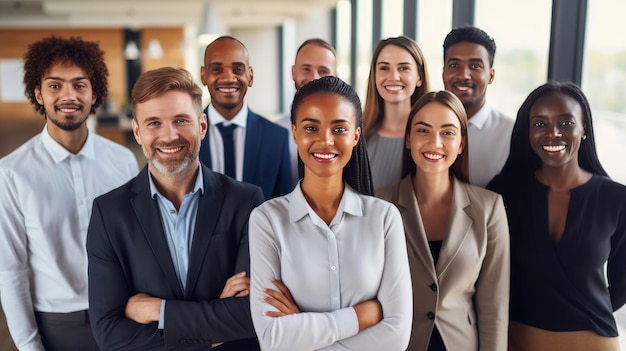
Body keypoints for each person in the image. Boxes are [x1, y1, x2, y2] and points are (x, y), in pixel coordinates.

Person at [87, 67, 264, 350]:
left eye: (181, 120)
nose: (169, 136)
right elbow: (109, 332)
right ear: (138, 132)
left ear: (202, 126)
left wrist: (159, 311)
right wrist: (214, 321)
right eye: (154, 123)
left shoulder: (246, 202)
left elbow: (251, 315)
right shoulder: (109, 214)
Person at [249, 76, 412, 350]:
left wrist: (301, 326)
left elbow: (396, 337)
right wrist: (361, 316)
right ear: (295, 133)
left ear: (356, 136)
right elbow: (272, 338)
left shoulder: (384, 218)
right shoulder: (267, 220)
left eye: (339, 129)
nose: (325, 141)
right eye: (311, 127)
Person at [0, 36, 138, 351]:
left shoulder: (123, 161)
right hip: (58, 324)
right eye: (55, 86)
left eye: (79, 85)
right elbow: (10, 269)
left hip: (125, 314)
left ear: (94, 93)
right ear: (38, 93)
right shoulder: (11, 173)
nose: (68, 96)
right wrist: (29, 345)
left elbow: (137, 242)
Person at [487, 81, 626, 351]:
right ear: (527, 132)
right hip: (519, 339)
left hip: (594, 341)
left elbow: (622, 284)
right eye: (540, 124)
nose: (552, 133)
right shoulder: (503, 193)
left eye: (566, 123)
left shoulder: (616, 199)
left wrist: (582, 313)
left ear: (583, 129)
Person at [377, 91, 510, 351]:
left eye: (448, 132)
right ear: (408, 139)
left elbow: (494, 307)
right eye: (423, 131)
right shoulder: (380, 204)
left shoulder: (489, 208)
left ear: (461, 143)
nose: (434, 142)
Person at [198, 35, 292, 199]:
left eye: (238, 69)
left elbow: (285, 206)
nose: (228, 78)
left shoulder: (276, 137)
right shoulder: (185, 134)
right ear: (203, 75)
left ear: (251, 76)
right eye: (217, 69)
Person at [442, 26, 514, 187]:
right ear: (443, 72)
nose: (463, 75)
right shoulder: (422, 126)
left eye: (475, 66)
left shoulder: (511, 134)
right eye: (454, 65)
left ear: (491, 75)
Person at [363, 35, 430, 190]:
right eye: (384, 68)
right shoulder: (359, 134)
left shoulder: (431, 137)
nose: (393, 77)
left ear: (419, 77)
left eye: (404, 68)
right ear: (374, 76)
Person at [276, 38, 337, 185]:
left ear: (335, 76)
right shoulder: (274, 133)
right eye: (306, 69)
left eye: (323, 71)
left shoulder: (349, 133)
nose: (314, 78)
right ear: (293, 72)